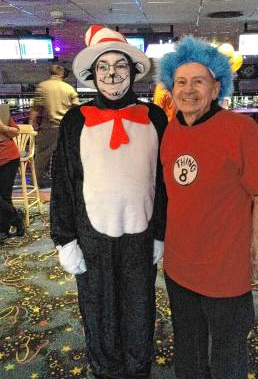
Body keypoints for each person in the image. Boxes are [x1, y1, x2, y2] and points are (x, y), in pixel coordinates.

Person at [50, 25, 167, 379]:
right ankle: (105, 370)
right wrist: (64, 238)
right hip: (92, 237)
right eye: (104, 67)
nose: (112, 74)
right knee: (99, 310)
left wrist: (160, 232)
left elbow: (163, 184)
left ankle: (138, 369)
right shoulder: (74, 121)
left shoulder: (155, 117)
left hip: (140, 235)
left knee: (139, 309)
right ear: (92, 74)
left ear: (132, 72)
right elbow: (63, 185)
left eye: (120, 65)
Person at [158, 36, 258, 379]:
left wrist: (254, 252)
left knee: (228, 351)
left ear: (216, 86)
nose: (189, 89)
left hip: (226, 265)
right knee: (188, 346)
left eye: (199, 81)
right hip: (180, 265)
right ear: (171, 87)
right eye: (181, 81)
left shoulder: (240, 129)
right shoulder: (169, 132)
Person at [29, 64, 79, 187]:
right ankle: (69, 182)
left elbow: (37, 108)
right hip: (66, 128)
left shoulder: (43, 86)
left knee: (42, 155)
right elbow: (76, 109)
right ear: (62, 74)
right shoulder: (69, 88)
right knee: (68, 155)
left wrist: (32, 123)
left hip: (49, 127)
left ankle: (36, 182)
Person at [0, 114, 24, 242]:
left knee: (4, 195)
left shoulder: (1, 113)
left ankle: (3, 229)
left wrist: (3, 128)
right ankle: (16, 217)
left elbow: (16, 132)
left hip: (7, 158)